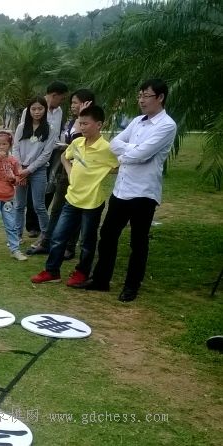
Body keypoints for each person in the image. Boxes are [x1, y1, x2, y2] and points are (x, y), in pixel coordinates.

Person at [79, 79, 177, 302]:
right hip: (121, 189)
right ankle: (101, 280)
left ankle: (131, 286)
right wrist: (133, 151)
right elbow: (114, 143)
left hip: (144, 192)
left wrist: (128, 153)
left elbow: (141, 155)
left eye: (146, 96)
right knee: (108, 235)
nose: (141, 100)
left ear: (160, 97)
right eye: (140, 95)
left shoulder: (166, 125)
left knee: (138, 241)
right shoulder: (137, 121)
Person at [31, 105, 118, 286]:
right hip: (72, 199)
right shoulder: (77, 143)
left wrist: (102, 172)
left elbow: (119, 166)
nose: (82, 127)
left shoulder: (106, 148)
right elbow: (65, 156)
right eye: (80, 123)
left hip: (92, 202)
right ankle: (52, 271)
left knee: (87, 241)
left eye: (86, 124)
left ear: (99, 125)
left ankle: (81, 273)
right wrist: (70, 171)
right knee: (58, 236)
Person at [28, 89, 95, 256]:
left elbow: (83, 144)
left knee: (75, 209)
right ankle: (47, 242)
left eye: (75, 103)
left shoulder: (90, 122)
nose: (72, 106)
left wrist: (83, 115)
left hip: (80, 172)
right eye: (71, 102)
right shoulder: (72, 121)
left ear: (86, 104)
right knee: (57, 207)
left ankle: (69, 247)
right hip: (65, 168)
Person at [12, 96, 58, 243]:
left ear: (45, 110)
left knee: (39, 206)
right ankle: (17, 235)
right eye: (33, 109)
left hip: (38, 170)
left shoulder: (50, 129)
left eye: (40, 109)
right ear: (28, 110)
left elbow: (46, 154)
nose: (37, 112)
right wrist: (19, 169)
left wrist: (29, 170)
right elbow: (15, 148)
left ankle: (46, 236)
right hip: (20, 170)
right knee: (19, 205)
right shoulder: (21, 127)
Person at [0, 131, 28, 261]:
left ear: (10, 145)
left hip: (8, 198)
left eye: (4, 144)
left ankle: (15, 249)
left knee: (11, 224)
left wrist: (14, 179)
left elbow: (18, 177)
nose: (1, 147)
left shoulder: (13, 160)